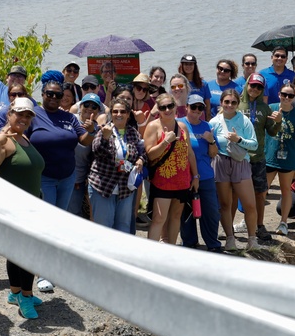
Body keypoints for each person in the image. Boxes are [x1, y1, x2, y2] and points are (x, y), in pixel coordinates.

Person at [0, 96, 45, 319]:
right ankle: (26, 298)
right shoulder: (1, 141)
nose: (24, 118)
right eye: (20, 114)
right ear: (9, 114)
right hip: (14, 208)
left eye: (28, 115)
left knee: (18, 252)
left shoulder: (23, 137)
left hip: (32, 205)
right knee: (28, 254)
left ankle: (16, 292)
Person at [28, 72, 90, 290]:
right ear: (42, 94)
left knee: (58, 223)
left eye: (58, 95)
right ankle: (42, 273)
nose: (53, 98)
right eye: (49, 94)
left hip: (67, 177)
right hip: (44, 177)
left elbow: (84, 140)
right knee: (46, 224)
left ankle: (55, 268)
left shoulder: (70, 118)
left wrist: (92, 130)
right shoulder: (33, 114)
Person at [210, 88, 261, 251]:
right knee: (225, 204)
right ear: (221, 103)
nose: (229, 105)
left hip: (240, 163)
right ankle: (230, 238)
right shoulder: (214, 122)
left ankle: (252, 239)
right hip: (220, 163)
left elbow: (254, 145)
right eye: (226, 102)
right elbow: (210, 146)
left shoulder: (244, 120)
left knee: (249, 205)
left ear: (238, 104)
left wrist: (238, 139)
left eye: (233, 102)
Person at [144, 93, 198, 245]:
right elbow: (150, 155)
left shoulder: (182, 126)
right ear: (158, 109)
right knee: (159, 218)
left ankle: (171, 249)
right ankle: (151, 253)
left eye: (170, 106)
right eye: (163, 107)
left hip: (182, 180)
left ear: (176, 107)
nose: (167, 110)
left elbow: (189, 154)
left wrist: (195, 176)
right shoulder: (153, 126)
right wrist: (164, 142)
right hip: (162, 181)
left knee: (176, 216)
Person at [85, 99, 146, 234]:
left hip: (125, 189)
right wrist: (105, 139)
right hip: (103, 187)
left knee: (123, 229)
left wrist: (141, 159)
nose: (119, 114)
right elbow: (97, 151)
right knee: (104, 230)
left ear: (128, 114)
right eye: (115, 111)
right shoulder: (104, 130)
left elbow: (143, 151)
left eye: (123, 111)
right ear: (111, 113)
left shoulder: (133, 132)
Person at [237, 73, 278, 244]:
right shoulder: (236, 104)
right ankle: (229, 228)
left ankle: (259, 226)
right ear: (247, 85)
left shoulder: (264, 108)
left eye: (259, 87)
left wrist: (279, 121)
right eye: (252, 85)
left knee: (260, 194)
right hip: (239, 158)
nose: (255, 89)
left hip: (258, 158)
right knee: (234, 194)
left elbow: (272, 131)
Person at [178, 94, 222, 252]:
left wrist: (211, 140)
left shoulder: (206, 126)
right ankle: (189, 243)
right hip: (184, 177)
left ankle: (213, 244)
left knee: (210, 213)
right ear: (187, 107)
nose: (197, 110)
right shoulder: (179, 124)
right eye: (193, 107)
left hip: (206, 176)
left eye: (200, 108)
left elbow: (213, 154)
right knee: (186, 213)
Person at [265, 83, 295, 235]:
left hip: (288, 157)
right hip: (269, 155)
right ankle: (256, 221)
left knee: (286, 190)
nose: (287, 98)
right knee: (262, 190)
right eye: (284, 94)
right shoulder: (271, 108)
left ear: (294, 98)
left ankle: (283, 223)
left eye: (290, 96)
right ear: (279, 94)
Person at [71, 92, 102, 219]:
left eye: (94, 107)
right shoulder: (70, 119)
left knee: (78, 214)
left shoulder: (99, 130)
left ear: (98, 112)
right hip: (66, 175)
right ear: (80, 106)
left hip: (81, 179)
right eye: (86, 104)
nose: (89, 108)